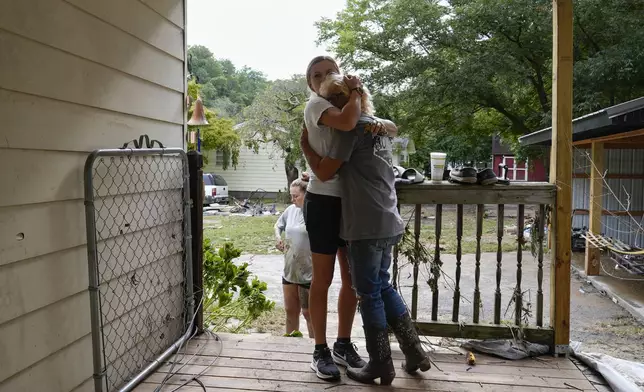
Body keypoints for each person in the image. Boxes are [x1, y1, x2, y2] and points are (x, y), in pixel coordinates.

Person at [300, 74, 431, 385]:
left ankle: (381, 364)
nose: (329, 110)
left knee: (368, 293)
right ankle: (414, 351)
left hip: (364, 224)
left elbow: (324, 170)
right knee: (382, 286)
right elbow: (391, 127)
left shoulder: (352, 131)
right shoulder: (379, 129)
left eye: (333, 102)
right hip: (388, 219)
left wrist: (305, 146)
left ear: (345, 103)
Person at [302, 55, 368, 380]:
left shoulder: (347, 103)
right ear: (311, 84)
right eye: (316, 75)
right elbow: (346, 123)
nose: (324, 77)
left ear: (340, 75)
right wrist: (356, 91)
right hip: (323, 202)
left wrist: (355, 96)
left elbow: (365, 122)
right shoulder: (315, 105)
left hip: (350, 203)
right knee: (323, 279)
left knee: (351, 279)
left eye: (330, 71)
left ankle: (343, 343)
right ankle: (320, 349)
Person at [274, 178, 314, 338]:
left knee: (308, 313)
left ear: (306, 194)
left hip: (309, 272)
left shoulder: (313, 213)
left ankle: (316, 347)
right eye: (291, 196)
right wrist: (278, 238)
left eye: (295, 196)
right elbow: (277, 225)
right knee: (291, 311)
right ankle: (290, 344)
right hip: (290, 270)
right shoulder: (290, 210)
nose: (292, 199)